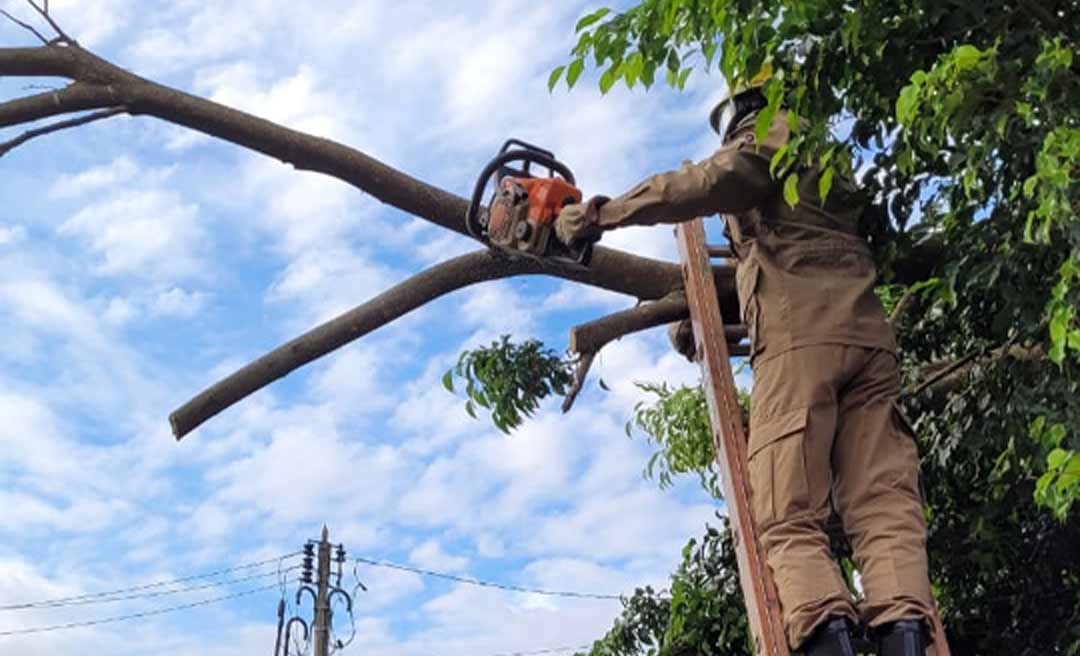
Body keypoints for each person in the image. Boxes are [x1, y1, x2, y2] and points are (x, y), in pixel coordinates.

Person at [553, 66, 938, 656]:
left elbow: (712, 180)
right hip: (869, 344)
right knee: (883, 503)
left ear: (743, 110)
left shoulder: (770, 139)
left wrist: (604, 214)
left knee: (788, 514)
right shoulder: (832, 170)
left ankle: (823, 636)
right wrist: (694, 323)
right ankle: (903, 637)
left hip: (801, 344)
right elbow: (789, 255)